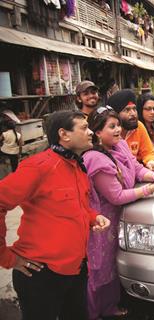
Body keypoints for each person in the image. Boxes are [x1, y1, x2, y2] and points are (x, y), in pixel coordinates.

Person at [0, 110, 110, 320]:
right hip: (40, 274)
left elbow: (77, 207)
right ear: (64, 134)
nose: (91, 133)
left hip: (76, 270)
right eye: (84, 128)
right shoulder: (38, 166)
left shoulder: (77, 166)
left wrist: (93, 216)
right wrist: (5, 257)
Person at [83, 106, 154, 319]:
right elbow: (116, 196)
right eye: (112, 127)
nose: (118, 130)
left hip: (120, 218)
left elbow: (136, 169)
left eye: (117, 125)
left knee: (111, 266)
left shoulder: (119, 145)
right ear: (97, 132)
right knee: (98, 270)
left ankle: (109, 308)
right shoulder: (95, 158)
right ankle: (93, 313)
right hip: (102, 223)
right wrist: (152, 189)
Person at [107, 89, 154, 171]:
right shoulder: (108, 132)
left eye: (134, 109)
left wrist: (151, 161)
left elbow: (148, 152)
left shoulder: (139, 127)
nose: (133, 113)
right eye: (127, 110)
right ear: (115, 114)